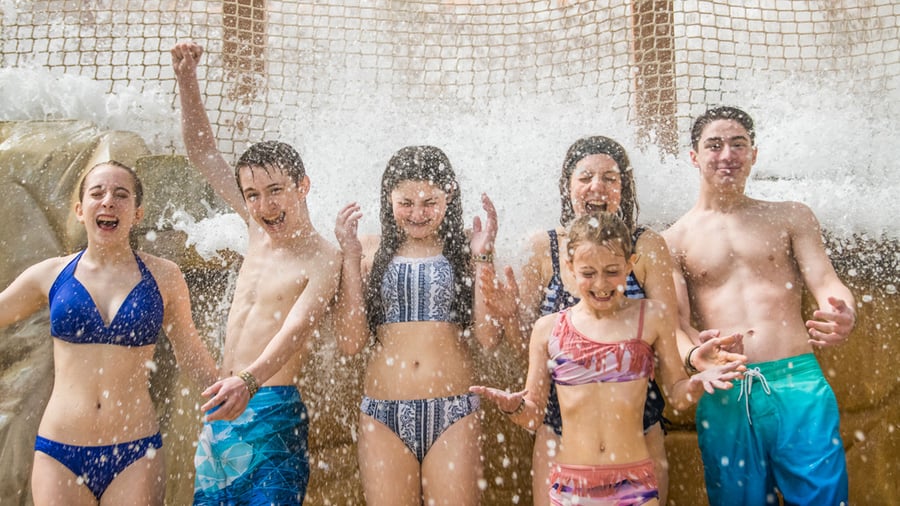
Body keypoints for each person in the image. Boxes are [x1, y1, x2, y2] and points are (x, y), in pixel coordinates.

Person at [477, 135, 740, 505]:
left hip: (636, 425)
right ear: (568, 185)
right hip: (560, 426)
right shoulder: (544, 247)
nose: (597, 187)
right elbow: (533, 350)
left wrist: (694, 359)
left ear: (624, 187)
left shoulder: (645, 245)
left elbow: (670, 331)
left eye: (610, 179)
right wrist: (509, 316)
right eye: (585, 178)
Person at [171, 41, 342, 505]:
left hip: (270, 407)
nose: (264, 206)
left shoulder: (323, 256)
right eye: (252, 195)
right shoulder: (253, 229)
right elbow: (204, 153)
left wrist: (248, 381)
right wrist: (188, 80)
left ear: (302, 187)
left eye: (275, 191)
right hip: (221, 409)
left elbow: (297, 326)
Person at [662, 105, 856, 506]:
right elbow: (677, 324)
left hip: (797, 379)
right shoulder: (674, 239)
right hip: (727, 385)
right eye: (713, 145)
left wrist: (844, 312)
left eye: (738, 144)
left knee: (824, 498)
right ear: (694, 156)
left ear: (754, 154)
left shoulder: (791, 216)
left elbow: (826, 282)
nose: (727, 154)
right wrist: (695, 354)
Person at [0, 161, 219, 505]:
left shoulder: (164, 276)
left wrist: (228, 396)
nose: (108, 202)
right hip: (60, 452)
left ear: (137, 213)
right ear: (79, 209)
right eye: (97, 193)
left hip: (134, 452)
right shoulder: (50, 275)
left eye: (121, 194)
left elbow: (188, 350)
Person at [333, 145, 502, 505]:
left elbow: (488, 337)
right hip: (383, 414)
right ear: (388, 199)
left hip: (453, 411)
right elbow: (350, 342)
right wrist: (349, 257)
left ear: (449, 196)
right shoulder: (368, 250)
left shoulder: (466, 250)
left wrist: (484, 257)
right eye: (406, 202)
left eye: (430, 202)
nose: (418, 213)